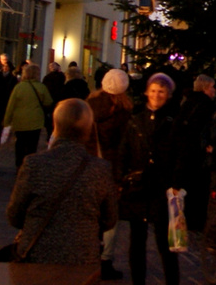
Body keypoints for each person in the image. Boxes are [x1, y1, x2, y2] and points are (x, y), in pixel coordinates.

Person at [6, 98, 119, 266]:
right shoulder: (100, 169)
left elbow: (15, 215)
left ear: (56, 127)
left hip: (36, 255)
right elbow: (109, 219)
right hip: (82, 257)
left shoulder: (34, 164)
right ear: (87, 130)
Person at [119, 72, 182, 285]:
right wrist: (122, 178)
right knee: (137, 240)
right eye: (153, 90)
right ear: (147, 92)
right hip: (138, 186)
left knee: (167, 243)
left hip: (163, 187)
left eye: (161, 91)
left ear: (168, 94)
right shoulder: (136, 119)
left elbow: (180, 154)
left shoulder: (174, 120)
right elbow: (124, 150)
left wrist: (176, 184)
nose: (156, 95)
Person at [90, 68, 135, 280]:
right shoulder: (123, 112)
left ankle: (89, 254)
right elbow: (125, 147)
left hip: (89, 166)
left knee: (90, 212)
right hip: (110, 169)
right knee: (110, 216)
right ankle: (105, 260)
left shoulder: (89, 105)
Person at [180, 74, 216, 230]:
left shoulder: (187, 102)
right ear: (205, 88)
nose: (214, 90)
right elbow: (207, 128)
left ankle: (188, 217)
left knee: (189, 186)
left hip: (186, 150)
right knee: (200, 188)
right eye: (212, 87)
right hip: (198, 152)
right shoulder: (206, 104)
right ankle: (196, 222)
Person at [4, 62, 54, 170]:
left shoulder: (19, 87)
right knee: (32, 145)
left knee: (20, 144)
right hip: (35, 121)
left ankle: (19, 165)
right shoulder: (41, 87)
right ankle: (29, 165)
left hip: (20, 120)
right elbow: (48, 102)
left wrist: (6, 121)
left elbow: (11, 105)